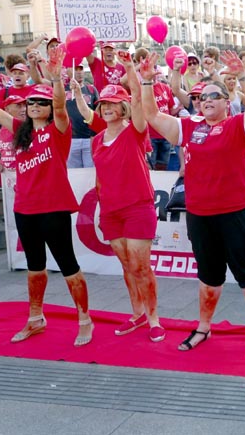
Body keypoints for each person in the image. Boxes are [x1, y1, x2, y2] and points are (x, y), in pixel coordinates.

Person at [0, 50, 94, 347]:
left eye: (39, 102)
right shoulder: (20, 131)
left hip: (53, 208)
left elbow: (58, 105)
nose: (33, 105)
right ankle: (35, 319)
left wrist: (55, 78)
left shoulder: (59, 131)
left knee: (68, 264)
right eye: (30, 102)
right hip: (24, 209)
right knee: (34, 266)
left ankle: (84, 320)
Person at [142, 50, 245, 356]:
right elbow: (151, 116)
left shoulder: (239, 125)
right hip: (200, 215)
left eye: (215, 96)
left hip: (238, 212)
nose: (207, 100)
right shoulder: (189, 128)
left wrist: (243, 75)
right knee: (208, 275)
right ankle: (203, 326)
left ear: (228, 102)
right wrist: (146, 81)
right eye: (202, 97)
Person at [91, 71, 165, 342]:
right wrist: (101, 209)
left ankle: (154, 318)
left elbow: (138, 104)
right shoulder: (96, 141)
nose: (107, 108)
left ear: (122, 107)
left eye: (112, 103)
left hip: (137, 207)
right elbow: (99, 178)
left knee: (140, 266)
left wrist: (133, 73)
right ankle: (138, 314)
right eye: (103, 104)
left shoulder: (135, 130)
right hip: (111, 211)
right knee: (126, 266)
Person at [66, 63, 99, 168]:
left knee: (90, 172)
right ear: (69, 71)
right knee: (73, 174)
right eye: (76, 69)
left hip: (89, 139)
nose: (79, 72)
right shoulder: (62, 89)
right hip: (70, 139)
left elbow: (98, 111)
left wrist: (95, 136)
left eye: (81, 69)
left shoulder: (92, 90)